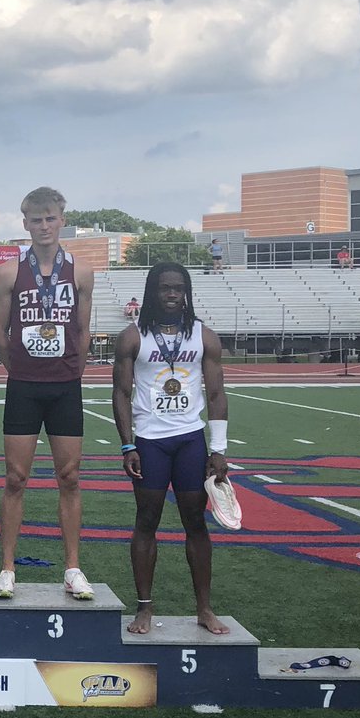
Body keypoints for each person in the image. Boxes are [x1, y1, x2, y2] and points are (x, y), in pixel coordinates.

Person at [111, 262, 231, 635]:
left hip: (190, 440)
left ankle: (204, 609)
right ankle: (144, 608)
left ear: (187, 291)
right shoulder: (132, 337)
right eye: (165, 288)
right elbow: (121, 393)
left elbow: (215, 393)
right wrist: (127, 443)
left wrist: (219, 449)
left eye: (179, 288)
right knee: (147, 521)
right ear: (152, 291)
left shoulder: (204, 337)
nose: (172, 294)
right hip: (150, 442)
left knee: (195, 522)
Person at [0, 187, 95, 600]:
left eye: (50, 218)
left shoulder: (82, 272)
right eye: (36, 220)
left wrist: (74, 370)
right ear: (25, 224)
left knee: (69, 478)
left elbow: (83, 331)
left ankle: (72, 568)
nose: (44, 226)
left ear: (62, 219)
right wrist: (19, 369)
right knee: (16, 478)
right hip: (24, 386)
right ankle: (8, 569)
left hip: (65, 385)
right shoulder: (9, 274)